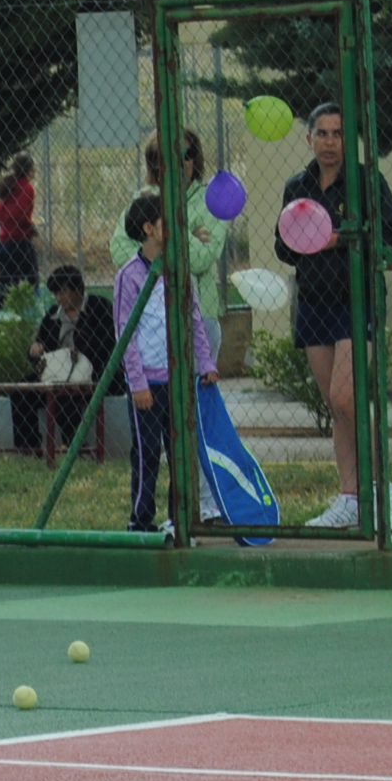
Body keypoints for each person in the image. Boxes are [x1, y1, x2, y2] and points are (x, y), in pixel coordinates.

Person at [276, 101, 392, 529]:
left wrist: (345, 237)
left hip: (356, 302)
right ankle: (350, 496)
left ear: (348, 140)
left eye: (338, 134)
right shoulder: (298, 187)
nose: (330, 142)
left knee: (345, 397)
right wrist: (302, 237)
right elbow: (283, 248)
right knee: (336, 408)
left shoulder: (367, 182)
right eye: (323, 133)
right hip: (314, 303)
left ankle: (382, 488)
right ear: (309, 138)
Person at [114, 194, 219, 538]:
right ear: (148, 228)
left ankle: (180, 519)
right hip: (147, 384)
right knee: (147, 453)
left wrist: (205, 362)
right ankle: (140, 521)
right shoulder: (129, 276)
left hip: (178, 380)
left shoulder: (179, 269)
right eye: (166, 221)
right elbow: (126, 334)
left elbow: (195, 320)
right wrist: (138, 383)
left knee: (180, 453)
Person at [107, 130, 229, 284]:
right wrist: (185, 240)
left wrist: (152, 245)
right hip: (150, 296)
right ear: (156, 164)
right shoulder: (144, 198)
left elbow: (200, 260)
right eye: (170, 156)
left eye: (186, 155)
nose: (179, 163)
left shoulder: (211, 202)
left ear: (195, 160)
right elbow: (119, 250)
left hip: (195, 298)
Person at [19, 264, 115, 454]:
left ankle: (75, 447)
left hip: (91, 372)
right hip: (56, 373)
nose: (59, 298)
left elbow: (107, 345)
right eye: (55, 293)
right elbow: (41, 344)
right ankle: (29, 447)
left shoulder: (100, 307)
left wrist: (80, 351)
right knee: (22, 390)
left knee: (65, 393)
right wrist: (33, 351)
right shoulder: (52, 315)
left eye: (63, 292)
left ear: (78, 289)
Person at [0, 152, 38, 293]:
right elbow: (19, 214)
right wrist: (30, 226)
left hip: (4, 243)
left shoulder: (10, 184)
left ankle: (6, 304)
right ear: (29, 170)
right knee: (31, 280)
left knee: (7, 284)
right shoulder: (27, 188)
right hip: (20, 241)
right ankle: (33, 303)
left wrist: (6, 223)